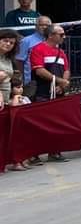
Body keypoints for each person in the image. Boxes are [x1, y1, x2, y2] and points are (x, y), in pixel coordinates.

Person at [29, 24, 71, 163]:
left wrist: (63, 83)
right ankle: (34, 154)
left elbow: (66, 69)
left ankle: (54, 151)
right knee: (39, 123)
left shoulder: (62, 52)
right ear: (51, 35)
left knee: (56, 122)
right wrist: (59, 81)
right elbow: (39, 70)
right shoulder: (38, 49)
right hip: (42, 92)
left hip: (57, 93)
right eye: (61, 34)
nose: (63, 37)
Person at [16, 15, 51, 90]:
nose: (44, 27)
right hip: (31, 82)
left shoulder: (52, 41)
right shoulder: (26, 41)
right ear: (36, 26)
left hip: (49, 80)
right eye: (41, 25)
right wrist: (22, 80)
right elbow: (19, 61)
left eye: (47, 25)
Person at [0, 29, 19, 106]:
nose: (8, 44)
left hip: (5, 102)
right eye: (5, 40)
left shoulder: (9, 59)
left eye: (11, 43)